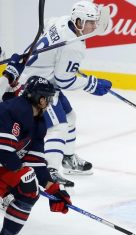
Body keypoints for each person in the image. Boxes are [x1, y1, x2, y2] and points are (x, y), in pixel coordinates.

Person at [20, 0, 112, 188]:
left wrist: (56, 59)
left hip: (37, 75)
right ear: (78, 21)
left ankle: (67, 158)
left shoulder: (62, 21)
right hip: (36, 86)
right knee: (59, 126)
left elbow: (46, 23)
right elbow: (64, 81)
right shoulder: (74, 46)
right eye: (90, 22)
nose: (94, 26)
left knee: (70, 116)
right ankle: (50, 170)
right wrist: (91, 83)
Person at [0, 76, 72, 235]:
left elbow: (36, 164)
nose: (49, 103)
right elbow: (3, 152)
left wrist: (55, 190)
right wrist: (22, 173)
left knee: (29, 189)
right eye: (48, 98)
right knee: (26, 179)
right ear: (41, 99)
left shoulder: (37, 122)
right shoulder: (14, 110)